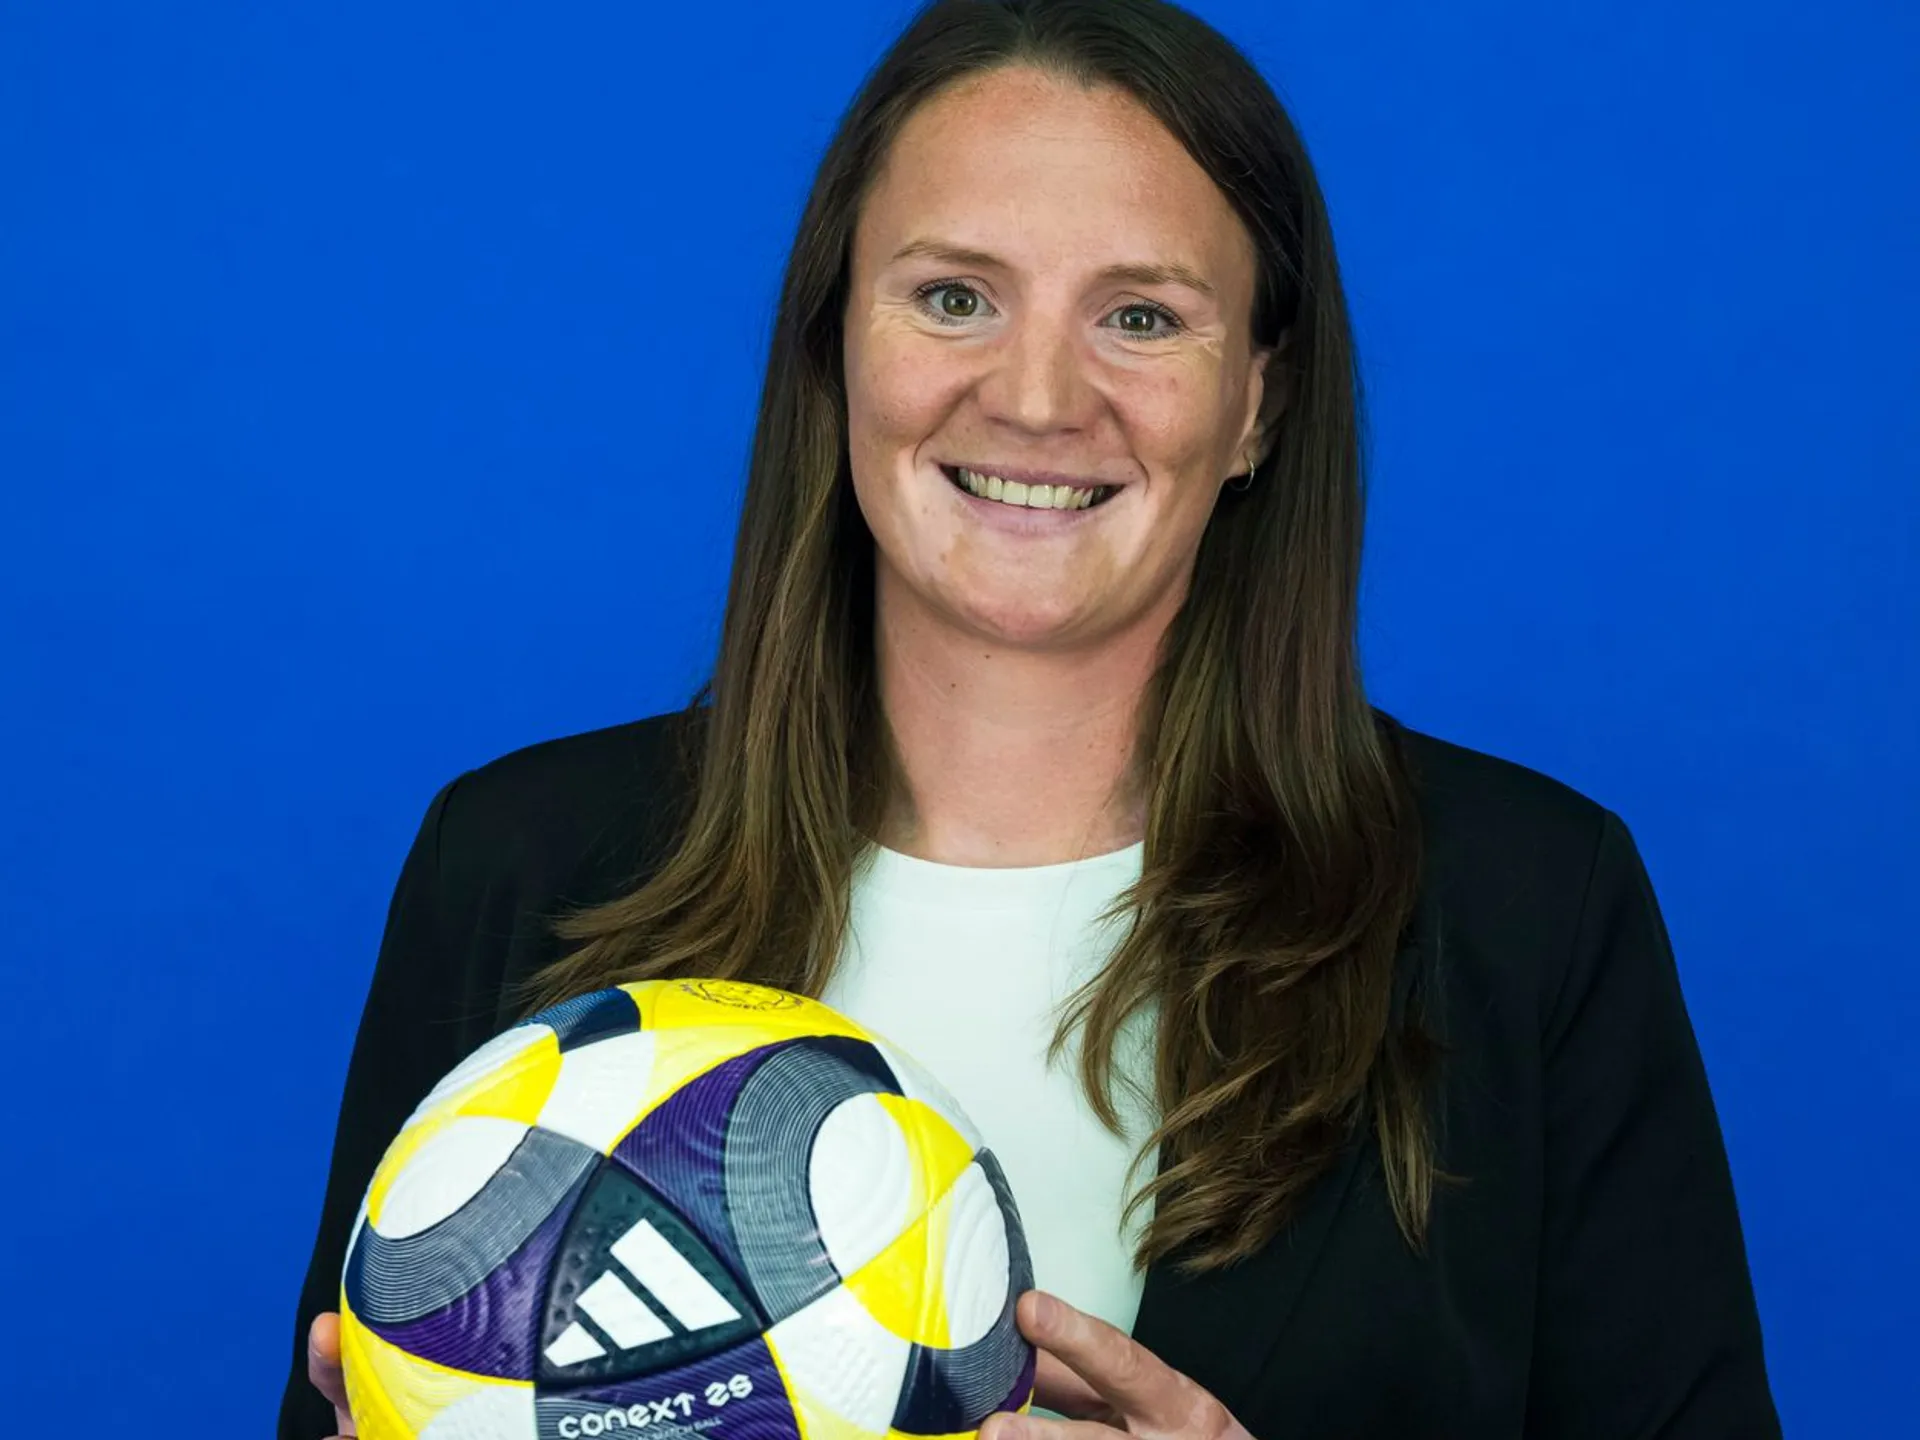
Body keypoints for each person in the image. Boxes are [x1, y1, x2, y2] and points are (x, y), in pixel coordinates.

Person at [280, 1, 1781, 1435]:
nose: (1040, 397)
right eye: (953, 298)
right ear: (834, 351)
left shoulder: (1521, 907)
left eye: (1141, 315)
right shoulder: (525, 868)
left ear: (1259, 403)